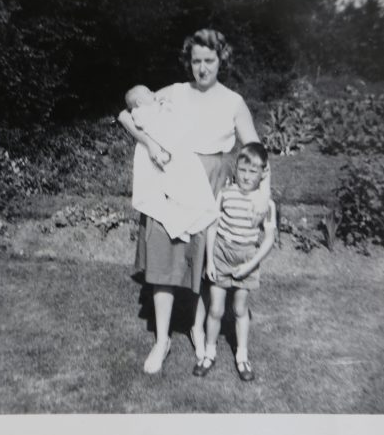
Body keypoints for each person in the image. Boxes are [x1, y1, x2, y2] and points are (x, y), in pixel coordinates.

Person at [117, 28, 270, 374]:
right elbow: (128, 115)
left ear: (221, 60)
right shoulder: (174, 92)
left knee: (205, 265)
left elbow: (257, 151)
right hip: (171, 179)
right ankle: (162, 340)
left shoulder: (233, 101)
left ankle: (198, 329)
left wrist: (262, 193)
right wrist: (152, 144)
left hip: (212, 182)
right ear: (189, 62)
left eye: (209, 60)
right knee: (164, 257)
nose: (202, 68)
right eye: (196, 61)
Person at [193, 142, 276, 381]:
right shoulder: (226, 194)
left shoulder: (265, 204)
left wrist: (250, 266)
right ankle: (209, 354)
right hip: (221, 255)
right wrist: (210, 261)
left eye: (253, 171)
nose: (247, 176)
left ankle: (242, 356)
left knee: (240, 309)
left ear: (262, 174)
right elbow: (213, 228)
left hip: (247, 258)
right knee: (216, 309)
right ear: (235, 169)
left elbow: (269, 239)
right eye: (242, 170)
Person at [125, 84, 218, 242]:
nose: (153, 92)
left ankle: (184, 219)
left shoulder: (157, 103)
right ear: (140, 102)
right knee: (175, 185)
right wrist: (162, 108)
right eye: (149, 92)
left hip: (172, 145)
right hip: (161, 146)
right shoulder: (140, 112)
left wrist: (165, 107)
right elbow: (150, 125)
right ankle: (180, 222)